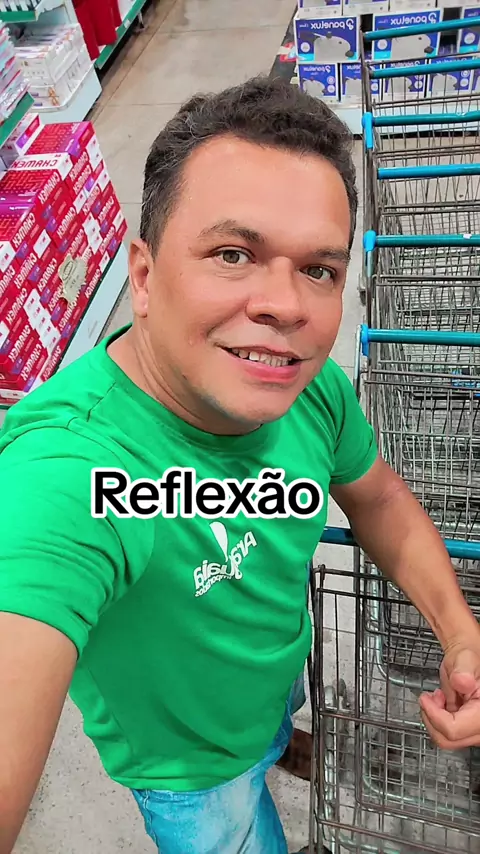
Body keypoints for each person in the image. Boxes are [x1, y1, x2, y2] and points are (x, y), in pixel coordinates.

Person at [1, 76, 480, 854]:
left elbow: (381, 500)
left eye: (319, 269)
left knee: (278, 717)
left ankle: (276, 739)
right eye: (233, 254)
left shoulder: (309, 391)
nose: (285, 305)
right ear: (145, 277)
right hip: (190, 772)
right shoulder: (69, 469)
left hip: (275, 674)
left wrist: (461, 633)